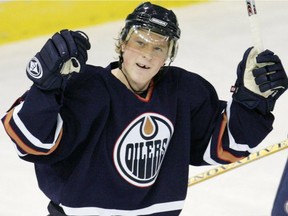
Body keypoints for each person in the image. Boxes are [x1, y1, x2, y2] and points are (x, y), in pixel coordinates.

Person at [1, 2, 288, 216]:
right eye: (140, 42)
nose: (147, 55)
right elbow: (31, 142)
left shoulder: (182, 92)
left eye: (159, 48)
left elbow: (227, 147)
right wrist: (46, 88)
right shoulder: (84, 87)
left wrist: (253, 103)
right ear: (123, 44)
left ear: (169, 55)